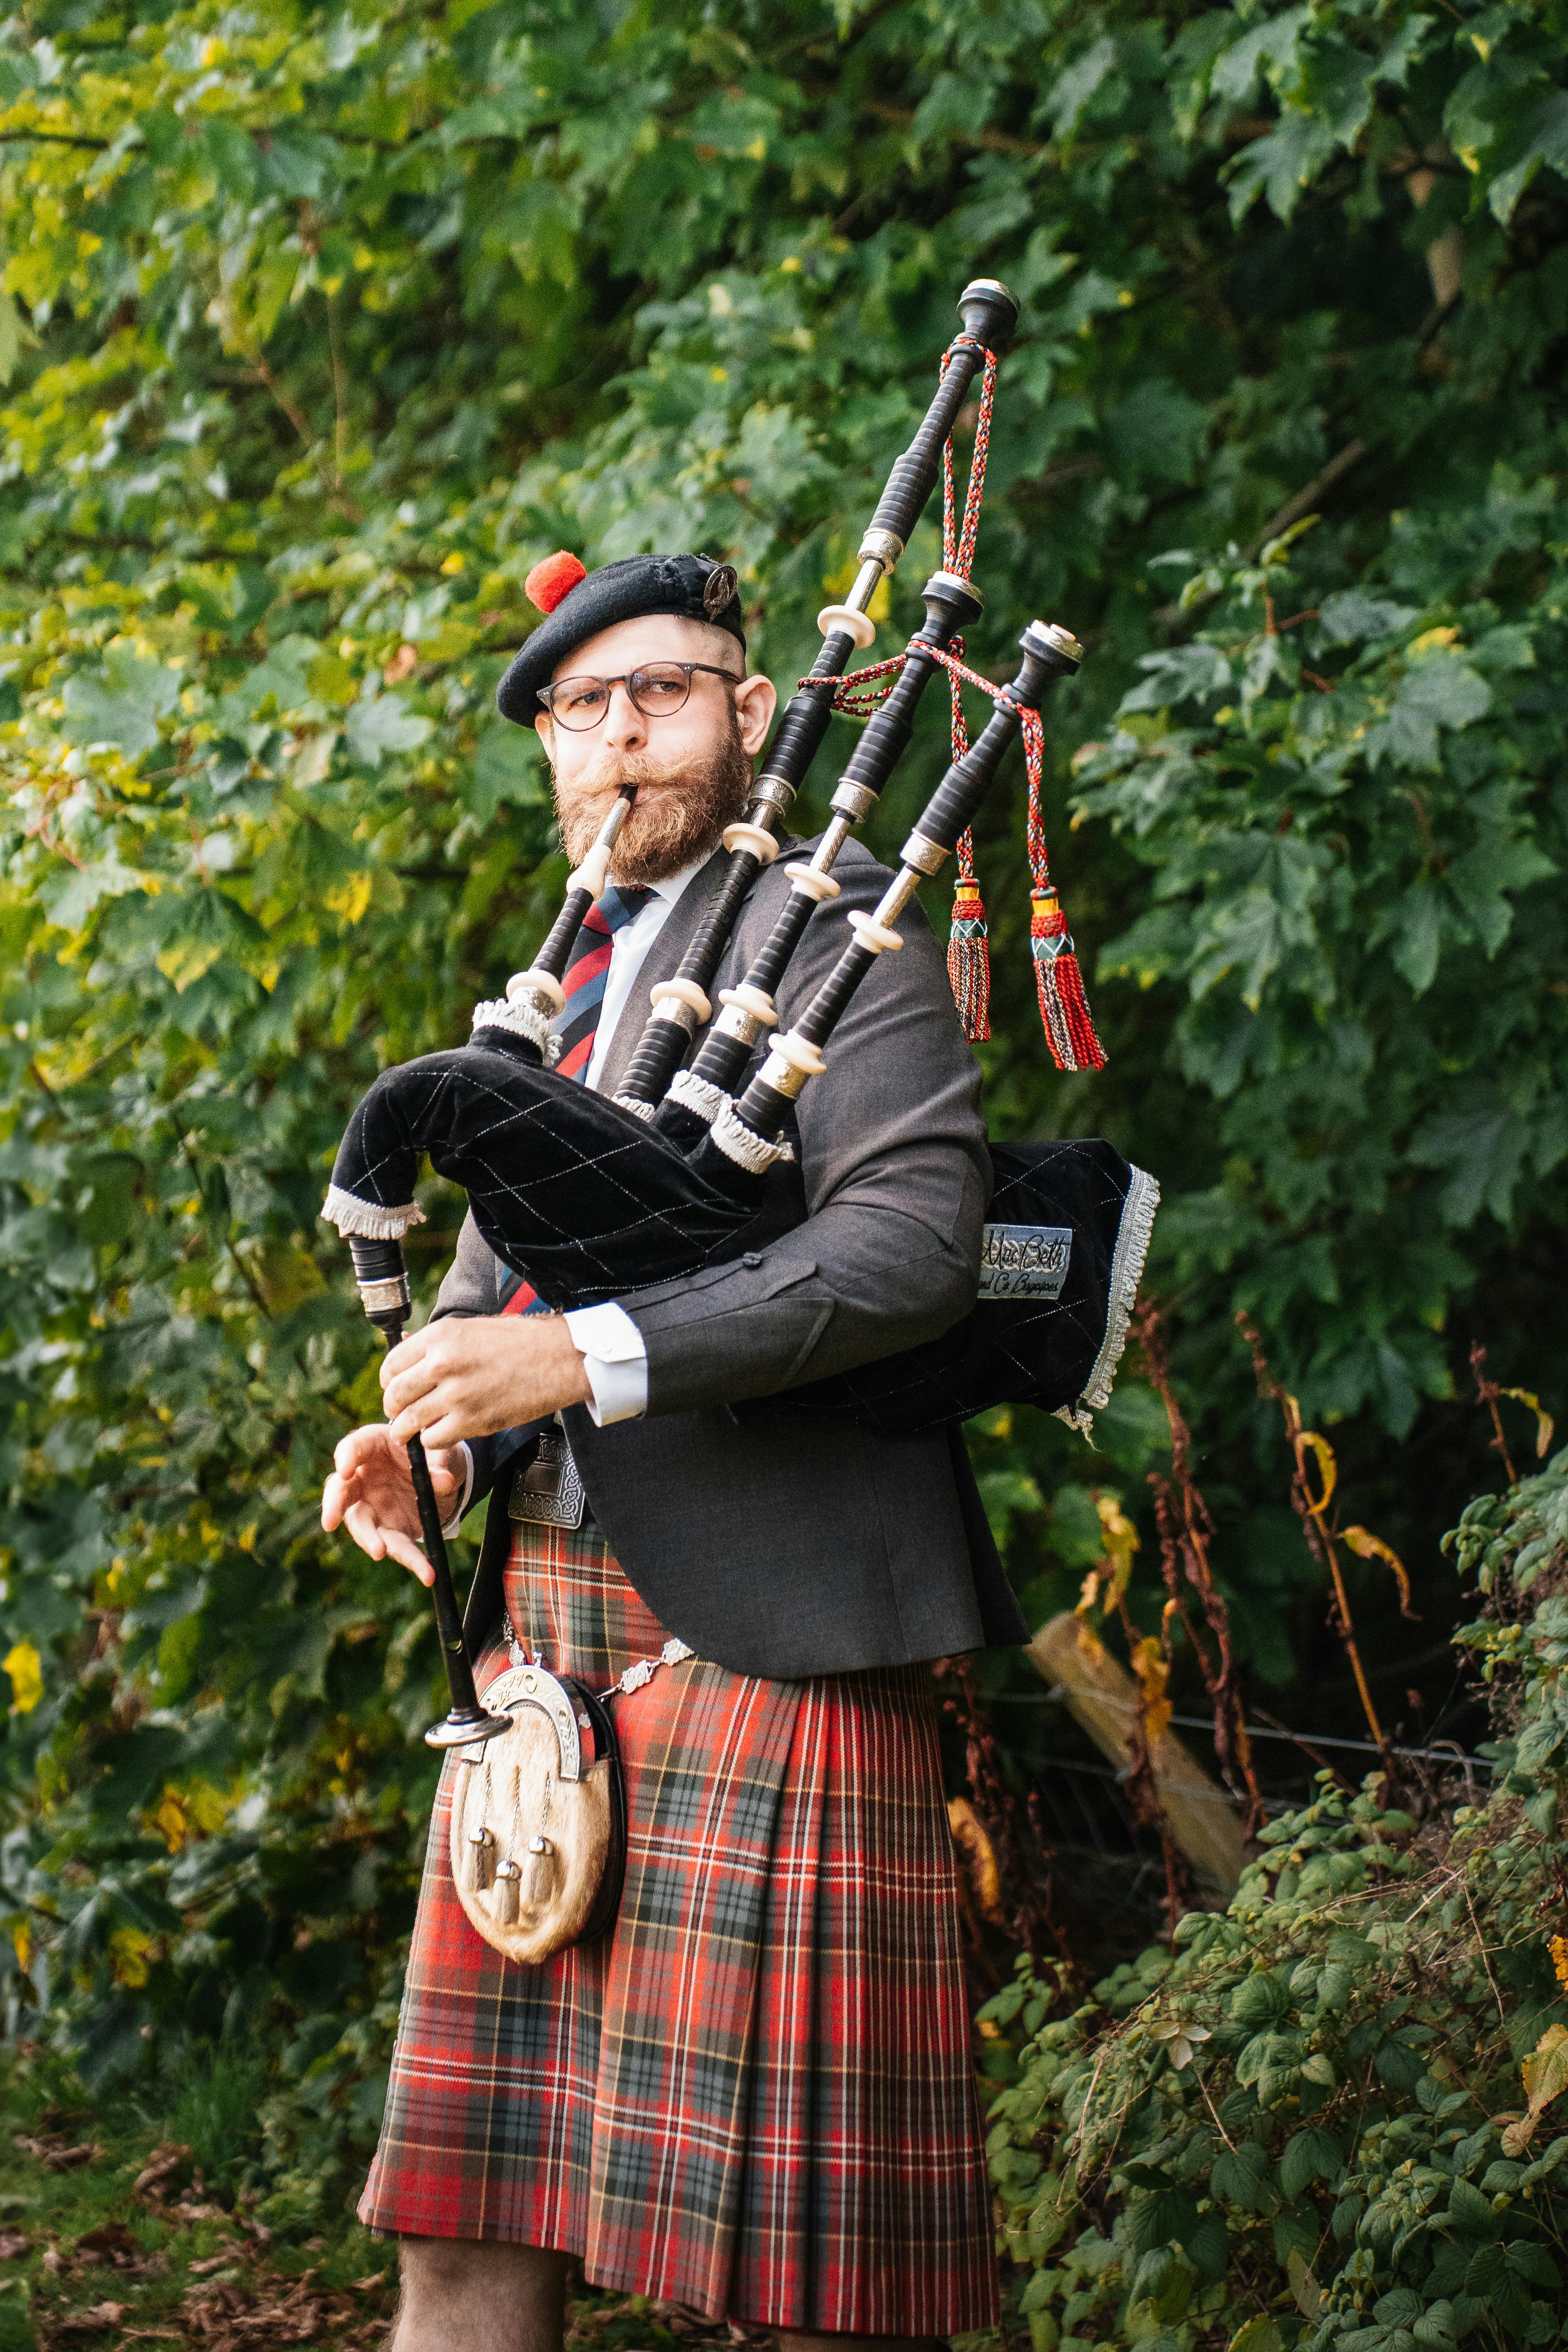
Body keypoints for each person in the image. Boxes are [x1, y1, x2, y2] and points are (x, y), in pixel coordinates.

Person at [320, 552, 1025, 2352]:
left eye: (663, 692)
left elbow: (908, 1253)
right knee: (464, 2230)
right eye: (583, 708)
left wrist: (573, 1356)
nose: (622, 735)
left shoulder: (841, 939)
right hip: (541, 1649)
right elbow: (493, 1291)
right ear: (550, 750)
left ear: (748, 711)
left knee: (816, 2289)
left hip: (773, 1633)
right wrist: (441, 1448)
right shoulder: (557, 980)